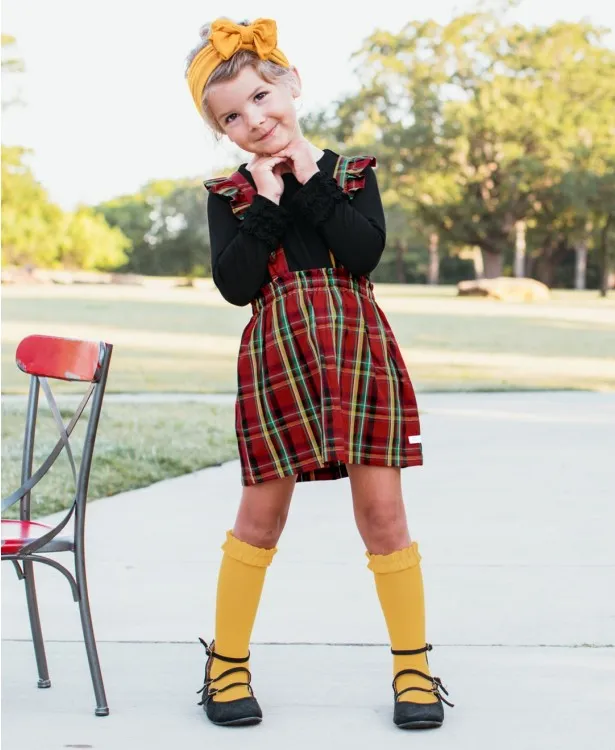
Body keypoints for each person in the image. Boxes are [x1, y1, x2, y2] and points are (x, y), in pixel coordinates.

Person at [184, 17, 453, 730]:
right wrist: (268, 201)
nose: (254, 119)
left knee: (382, 515)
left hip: (356, 351)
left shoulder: (351, 176)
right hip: (276, 357)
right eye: (231, 115)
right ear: (221, 129)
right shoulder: (228, 196)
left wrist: (306, 180)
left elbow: (361, 254)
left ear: (291, 84)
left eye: (262, 98)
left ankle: (413, 667)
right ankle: (226, 666)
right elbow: (237, 285)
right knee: (261, 516)